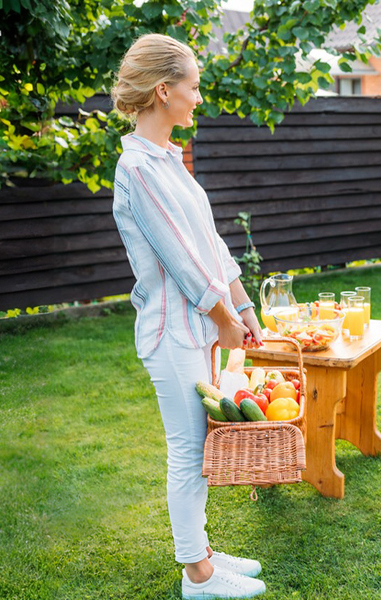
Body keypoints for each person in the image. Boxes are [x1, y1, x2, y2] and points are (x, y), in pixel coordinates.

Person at [110, 33, 269, 599]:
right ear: (163, 91)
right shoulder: (139, 169)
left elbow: (210, 244)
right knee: (188, 447)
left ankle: (200, 551)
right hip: (171, 332)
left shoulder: (170, 163)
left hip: (198, 326)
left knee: (198, 446)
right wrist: (224, 317)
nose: (198, 99)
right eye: (193, 87)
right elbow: (179, 260)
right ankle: (196, 575)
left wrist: (243, 306)